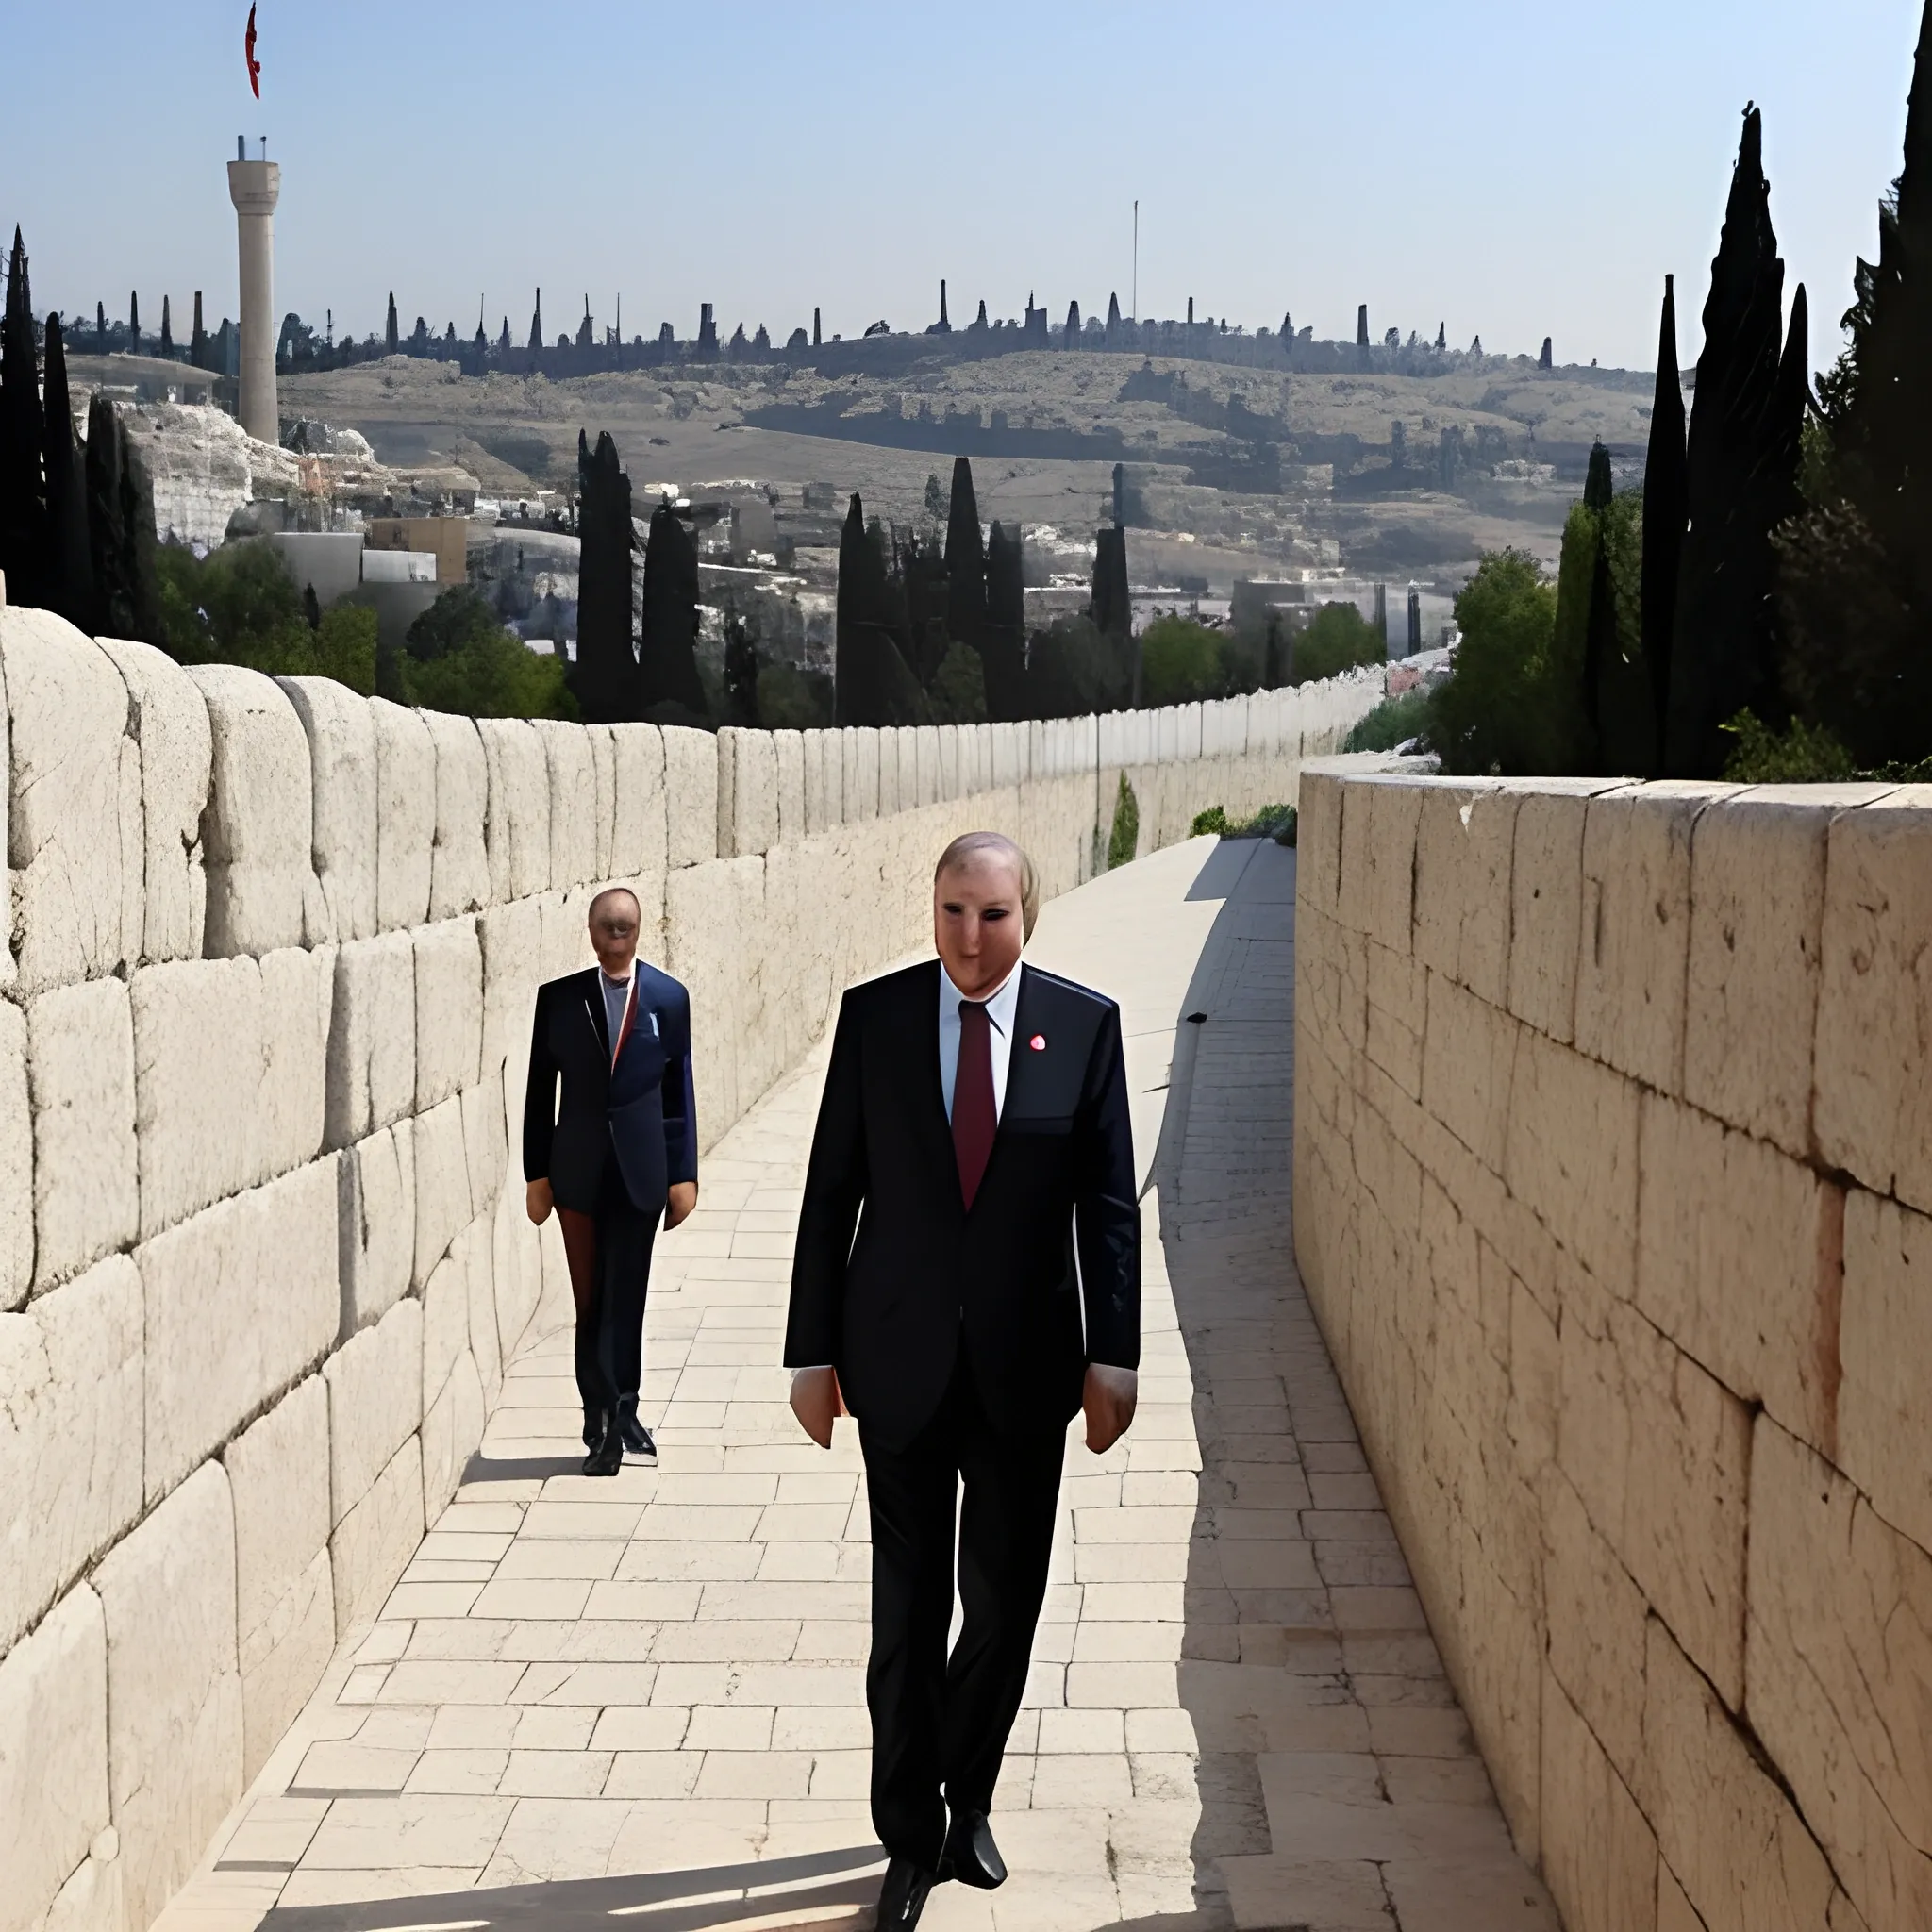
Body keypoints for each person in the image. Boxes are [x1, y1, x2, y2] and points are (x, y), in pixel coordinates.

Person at [785, 832, 1141, 1929]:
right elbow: (828, 1189)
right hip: (893, 1362)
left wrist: (1112, 1355)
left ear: (1025, 911)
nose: (969, 938)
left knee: (1002, 1601)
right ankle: (907, 1836)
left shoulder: (1082, 1027)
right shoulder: (877, 1018)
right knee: (905, 1610)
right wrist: (809, 1352)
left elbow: (1108, 1207)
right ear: (928, 908)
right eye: (951, 911)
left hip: (1025, 1369)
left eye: (990, 914)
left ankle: (966, 1795)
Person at [524, 886, 698, 1477]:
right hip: (577, 1175)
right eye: (607, 928)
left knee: (630, 1296)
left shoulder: (669, 1000)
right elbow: (537, 1092)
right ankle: (596, 1418)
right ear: (593, 934)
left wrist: (684, 1174)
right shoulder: (560, 1001)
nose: (616, 937)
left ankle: (628, 1408)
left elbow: (680, 1094)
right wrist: (536, 1173)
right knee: (591, 1300)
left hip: (642, 1174)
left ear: (638, 931)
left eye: (625, 928)